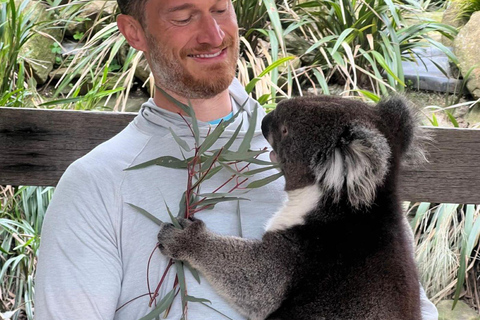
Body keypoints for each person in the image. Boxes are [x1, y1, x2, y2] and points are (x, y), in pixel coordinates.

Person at [34, 0, 439, 319]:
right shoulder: (97, 184)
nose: (212, 34)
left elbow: (409, 306)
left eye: (221, 10)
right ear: (133, 31)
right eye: (183, 16)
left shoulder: (334, 163)